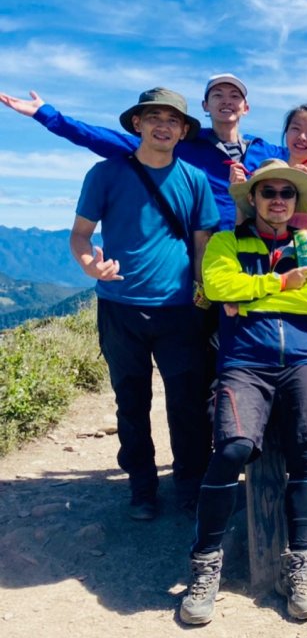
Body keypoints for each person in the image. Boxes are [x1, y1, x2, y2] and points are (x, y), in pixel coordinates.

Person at [180, 160, 307, 626]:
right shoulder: (227, 242)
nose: (277, 200)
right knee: (231, 448)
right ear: (252, 198)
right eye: (267, 191)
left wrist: (247, 298)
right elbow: (216, 285)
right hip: (244, 364)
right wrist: (277, 282)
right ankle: (205, 564)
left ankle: (300, 566)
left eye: (286, 194)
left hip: (302, 362)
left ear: (296, 204)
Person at [66, 87, 220, 520]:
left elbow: (202, 243)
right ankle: (142, 488)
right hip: (119, 306)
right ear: (137, 124)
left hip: (180, 310)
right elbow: (80, 234)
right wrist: (89, 266)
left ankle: (190, 484)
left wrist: (205, 292)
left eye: (173, 120)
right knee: (130, 401)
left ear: (183, 130)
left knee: (187, 404)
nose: (163, 126)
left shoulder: (194, 180)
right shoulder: (106, 174)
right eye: (154, 117)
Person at [0, 66, 307, 232]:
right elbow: (109, 141)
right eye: (218, 96)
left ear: (246, 108)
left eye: (235, 97)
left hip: (259, 250)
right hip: (201, 251)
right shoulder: (185, 146)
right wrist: (49, 117)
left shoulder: (266, 149)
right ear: (205, 106)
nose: (227, 102)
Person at [229, 100, 307, 250]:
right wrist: (240, 194)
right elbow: (243, 231)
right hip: (262, 265)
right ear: (286, 132)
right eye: (295, 128)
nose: (302, 137)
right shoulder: (265, 175)